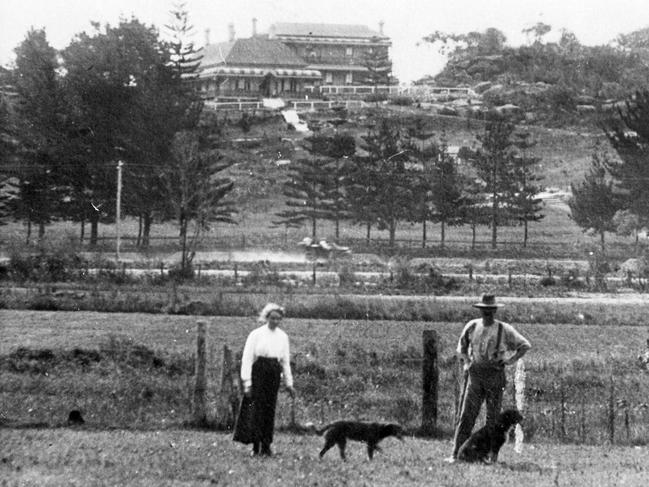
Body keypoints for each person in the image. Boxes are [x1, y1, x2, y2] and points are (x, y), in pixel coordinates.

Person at [445, 293, 531, 463]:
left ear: (495, 310)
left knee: (493, 421)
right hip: (475, 376)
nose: (488, 313)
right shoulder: (472, 326)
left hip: (495, 377)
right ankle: (457, 454)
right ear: (480, 310)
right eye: (485, 310)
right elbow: (461, 349)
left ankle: (490, 456)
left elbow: (524, 345)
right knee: (466, 416)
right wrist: (468, 362)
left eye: (491, 310)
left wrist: (509, 360)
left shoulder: (504, 329)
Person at [237, 303, 295, 456]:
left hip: (273, 373)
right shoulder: (256, 334)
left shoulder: (283, 337)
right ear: (266, 317)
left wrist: (289, 383)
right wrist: (247, 382)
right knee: (257, 409)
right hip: (259, 372)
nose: (275, 321)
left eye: (278, 319)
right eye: (272, 318)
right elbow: (247, 359)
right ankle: (255, 446)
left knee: (270, 410)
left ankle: (266, 445)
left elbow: (285, 362)